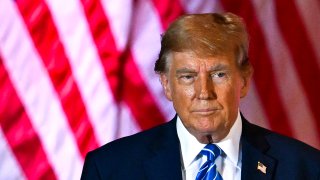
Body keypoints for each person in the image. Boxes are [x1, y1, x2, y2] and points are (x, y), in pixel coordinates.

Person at [81, 13, 320, 180]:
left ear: (244, 81)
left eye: (218, 74)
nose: (204, 92)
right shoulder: (110, 169)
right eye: (187, 77)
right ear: (166, 84)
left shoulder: (306, 168)